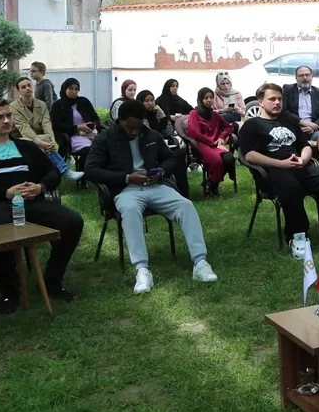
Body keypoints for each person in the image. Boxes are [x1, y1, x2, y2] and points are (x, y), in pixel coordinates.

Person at [0, 98, 84, 312]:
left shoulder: (27, 147)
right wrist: (4, 192)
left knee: (72, 222)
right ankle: (9, 289)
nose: (6, 121)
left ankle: (52, 280)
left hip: (32, 202)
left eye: (8, 115)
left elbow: (53, 171)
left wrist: (41, 187)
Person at [83, 99, 219, 294]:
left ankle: (200, 262)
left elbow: (171, 158)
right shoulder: (104, 139)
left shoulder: (150, 135)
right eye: (130, 127)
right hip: (124, 189)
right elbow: (91, 170)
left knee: (185, 205)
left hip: (155, 185)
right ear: (119, 121)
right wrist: (127, 177)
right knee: (130, 210)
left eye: (137, 127)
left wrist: (161, 172)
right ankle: (142, 269)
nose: (134, 132)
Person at [238, 84, 319, 258]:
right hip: (272, 171)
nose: (277, 102)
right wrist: (280, 163)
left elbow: (305, 146)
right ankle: (298, 236)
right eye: (272, 99)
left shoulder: (288, 121)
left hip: (299, 166)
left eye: (279, 99)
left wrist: (303, 159)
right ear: (261, 102)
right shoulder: (252, 125)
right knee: (291, 188)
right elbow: (249, 156)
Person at [10, 76, 82, 181]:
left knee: (46, 143)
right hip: (20, 138)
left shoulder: (41, 104)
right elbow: (24, 129)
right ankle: (63, 171)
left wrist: (51, 140)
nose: (27, 88)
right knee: (41, 144)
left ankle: (51, 178)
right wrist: (42, 143)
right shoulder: (14, 107)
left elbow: (46, 124)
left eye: (29, 85)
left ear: (32, 86)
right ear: (18, 90)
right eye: (23, 87)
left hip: (40, 138)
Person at [138, 90, 189, 198]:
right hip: (150, 148)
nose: (150, 103)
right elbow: (149, 134)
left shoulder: (155, 114)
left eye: (152, 100)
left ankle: (183, 192)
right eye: (146, 101)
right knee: (173, 156)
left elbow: (170, 131)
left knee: (179, 155)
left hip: (164, 146)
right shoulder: (140, 118)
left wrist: (161, 112)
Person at [188, 86, 235, 196]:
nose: (209, 100)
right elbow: (194, 133)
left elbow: (229, 127)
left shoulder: (214, 114)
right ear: (200, 99)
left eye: (211, 97)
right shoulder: (194, 113)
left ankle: (211, 182)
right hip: (201, 144)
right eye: (206, 98)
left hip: (215, 144)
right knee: (217, 161)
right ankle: (213, 187)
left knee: (229, 159)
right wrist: (212, 142)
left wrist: (221, 138)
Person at [50, 77, 102, 169]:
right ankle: (83, 177)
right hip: (73, 136)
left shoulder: (83, 101)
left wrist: (93, 125)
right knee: (89, 151)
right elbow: (57, 125)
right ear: (64, 88)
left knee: (104, 149)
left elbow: (95, 118)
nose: (74, 91)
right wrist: (78, 128)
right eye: (71, 88)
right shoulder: (58, 106)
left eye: (76, 89)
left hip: (91, 134)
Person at [282, 65, 319, 141]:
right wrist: (302, 122)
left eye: (307, 75)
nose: (305, 78)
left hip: (313, 129)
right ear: (296, 78)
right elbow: (284, 111)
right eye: (301, 75)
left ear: (312, 77)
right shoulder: (288, 90)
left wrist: (313, 127)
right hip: (293, 127)